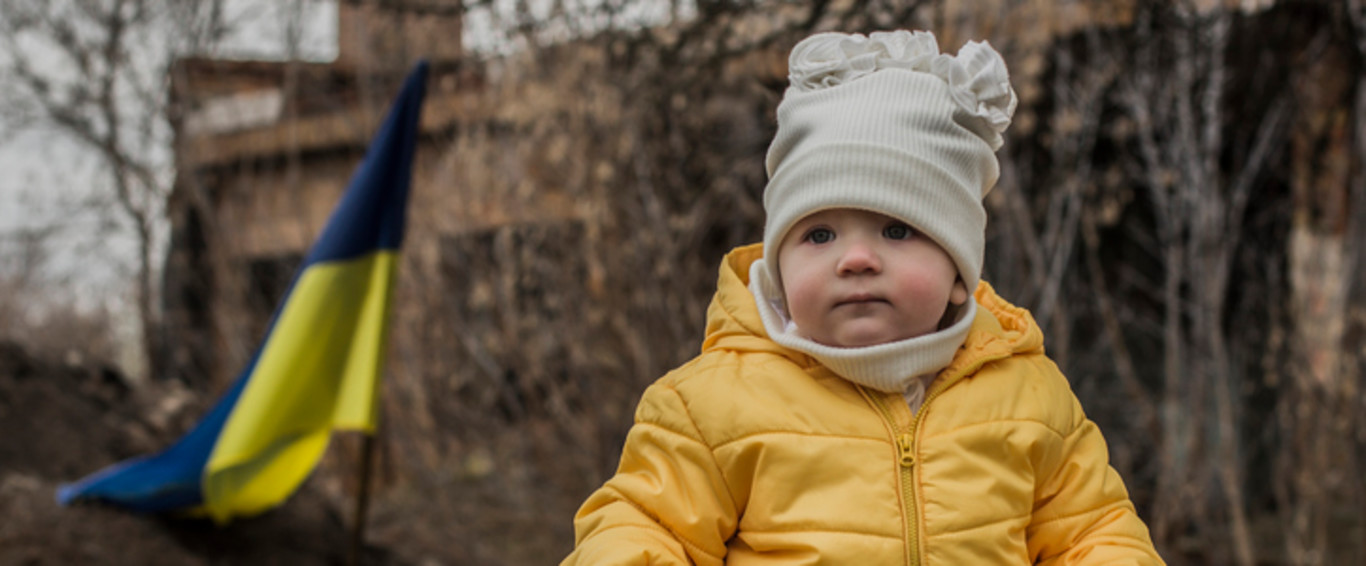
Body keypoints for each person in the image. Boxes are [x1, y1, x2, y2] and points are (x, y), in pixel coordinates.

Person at [562, 29, 1163, 565]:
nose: (855, 259)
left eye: (897, 230)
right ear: (777, 269)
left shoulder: (1029, 396)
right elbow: (642, 524)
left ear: (959, 271)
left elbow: (1093, 530)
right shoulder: (710, 405)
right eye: (819, 234)